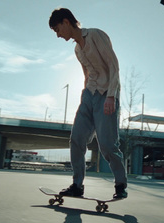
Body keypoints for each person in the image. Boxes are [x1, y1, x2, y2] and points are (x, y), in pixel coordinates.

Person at [48, 8, 128, 199]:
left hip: (106, 94)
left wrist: (111, 96)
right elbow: (86, 74)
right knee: (76, 139)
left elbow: (113, 66)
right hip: (88, 96)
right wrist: (84, 96)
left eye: (57, 30)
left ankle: (120, 184)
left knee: (108, 145)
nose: (58, 35)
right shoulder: (77, 49)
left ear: (66, 22)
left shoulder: (95, 35)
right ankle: (77, 185)